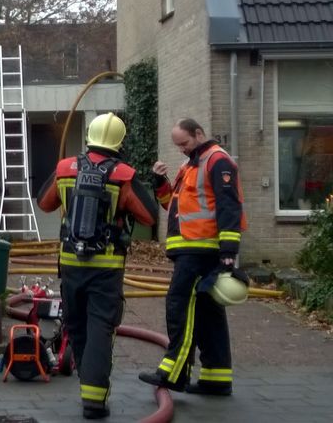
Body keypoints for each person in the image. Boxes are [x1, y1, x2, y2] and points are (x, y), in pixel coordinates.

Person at [38, 112, 160, 420]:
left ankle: (86, 386)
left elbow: (45, 203)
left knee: (76, 325)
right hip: (106, 268)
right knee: (101, 329)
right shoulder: (124, 174)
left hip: (70, 264)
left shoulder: (66, 168)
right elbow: (149, 217)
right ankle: (94, 399)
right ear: (119, 141)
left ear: (90, 135)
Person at [139, 118, 247, 396]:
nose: (182, 150)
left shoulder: (216, 161)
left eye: (184, 143)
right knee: (208, 313)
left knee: (180, 306)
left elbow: (229, 207)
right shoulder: (191, 165)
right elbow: (172, 207)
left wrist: (228, 253)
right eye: (178, 146)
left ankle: (173, 373)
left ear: (199, 133)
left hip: (200, 250)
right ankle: (216, 378)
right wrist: (159, 181)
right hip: (193, 248)